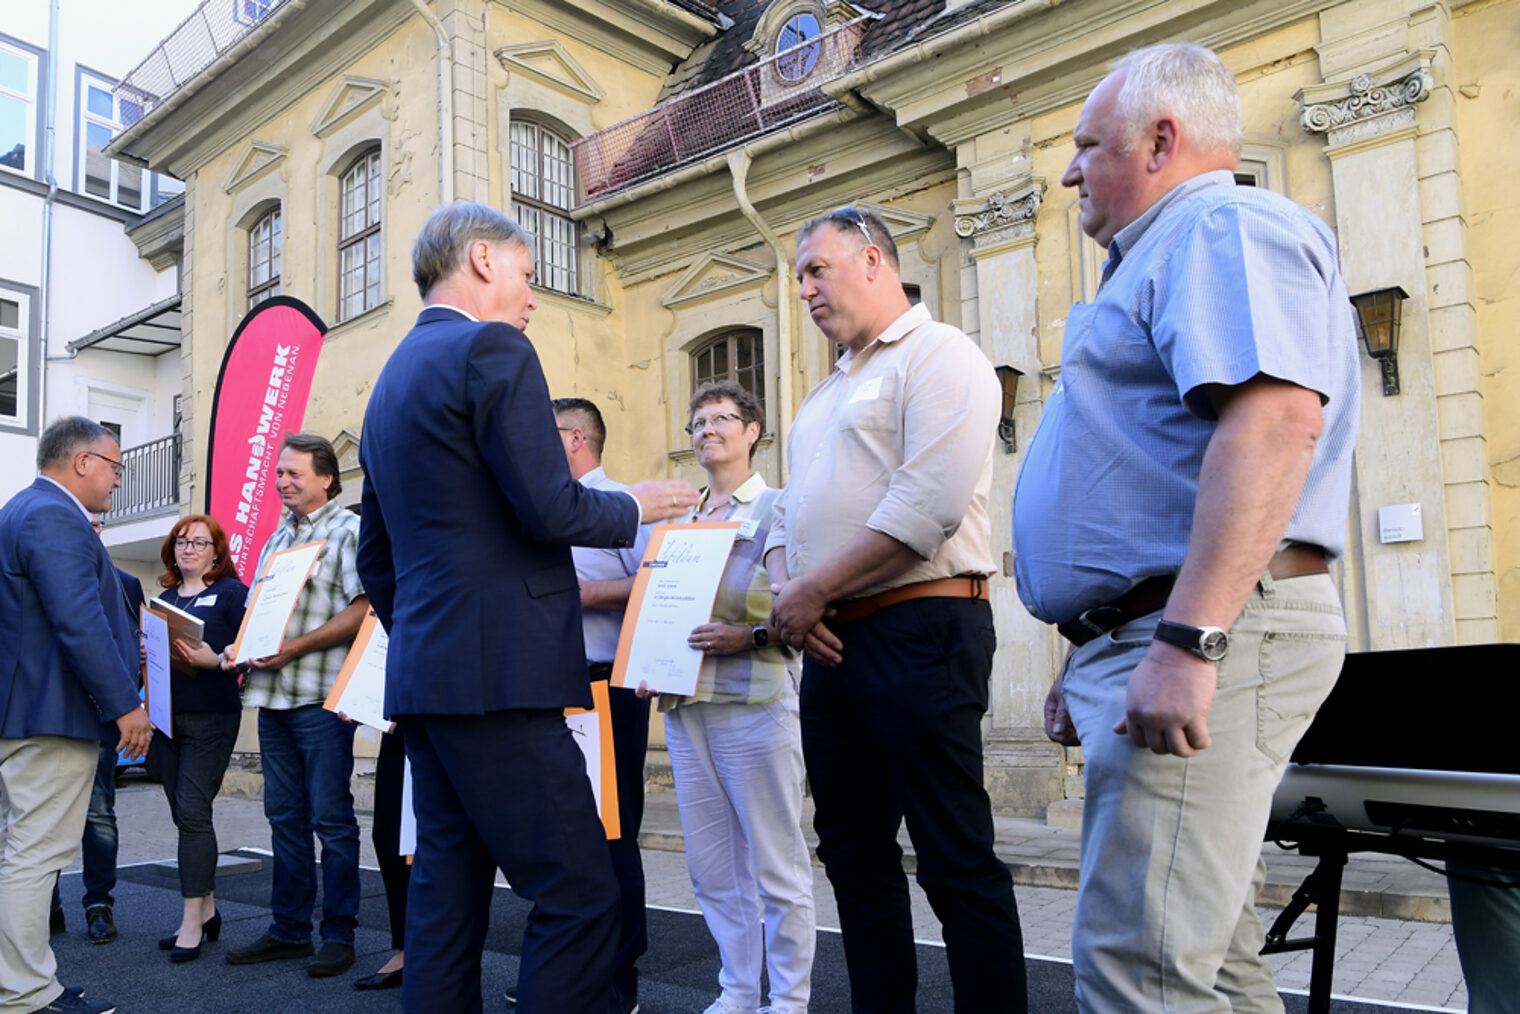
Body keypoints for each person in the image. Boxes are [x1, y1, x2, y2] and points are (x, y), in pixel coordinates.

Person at [1013, 42, 1360, 1013]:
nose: (1070, 169)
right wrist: (1091, 644)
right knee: (1208, 968)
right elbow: (1151, 476)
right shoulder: (1173, 249)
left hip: (1204, 630)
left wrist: (1184, 637)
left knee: (1142, 974)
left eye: (1086, 145)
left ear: (1160, 138)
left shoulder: (1215, 224)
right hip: (1154, 633)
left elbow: (1272, 423)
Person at [355, 201, 698, 1014]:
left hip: (428, 679)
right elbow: (551, 508)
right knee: (580, 894)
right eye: (527, 274)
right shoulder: (493, 347)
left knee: (445, 900)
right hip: (501, 679)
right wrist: (637, 505)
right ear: (481, 259)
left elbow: (377, 556)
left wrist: (432, 641)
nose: (534, 297)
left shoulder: (389, 381)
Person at [766, 207, 1026, 1013]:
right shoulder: (822, 397)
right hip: (833, 645)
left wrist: (811, 594)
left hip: (921, 629)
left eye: (818, 268)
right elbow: (782, 518)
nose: (804, 288)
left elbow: (927, 509)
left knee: (953, 855)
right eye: (800, 275)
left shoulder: (941, 355)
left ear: (873, 259)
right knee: (851, 854)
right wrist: (790, 592)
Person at [654, 381, 814, 1014]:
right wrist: (649, 657)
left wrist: (742, 635)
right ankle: (738, 991)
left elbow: (795, 601)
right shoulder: (681, 519)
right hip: (686, 708)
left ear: (753, 432)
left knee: (776, 865)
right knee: (713, 870)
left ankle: (791, 1001)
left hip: (754, 702)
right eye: (697, 422)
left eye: (723, 418)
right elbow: (656, 606)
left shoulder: (778, 506)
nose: (708, 430)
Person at [0, 416, 154, 1014]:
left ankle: (21, 984)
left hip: (27, 712)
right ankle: (25, 994)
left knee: (18, 852)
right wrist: (126, 706)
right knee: (34, 857)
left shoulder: (21, 511)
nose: (118, 480)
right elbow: (79, 621)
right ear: (83, 462)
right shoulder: (54, 516)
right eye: (116, 467)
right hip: (50, 716)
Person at [223, 432, 368, 979]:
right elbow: (265, 612)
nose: (283, 482)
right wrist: (245, 647)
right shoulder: (276, 537)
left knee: (331, 820)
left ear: (327, 478)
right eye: (280, 474)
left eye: (294, 474)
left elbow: (365, 607)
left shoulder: (349, 529)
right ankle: (288, 930)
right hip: (271, 696)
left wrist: (294, 649)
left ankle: (340, 933)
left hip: (320, 696)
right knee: (283, 818)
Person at [553, 396, 654, 1014]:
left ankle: (620, 981)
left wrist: (591, 594)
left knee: (612, 838)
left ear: (573, 439)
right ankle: (567, 974)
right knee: (561, 838)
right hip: (549, 690)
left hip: (607, 687)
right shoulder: (543, 512)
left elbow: (659, 580)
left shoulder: (621, 505)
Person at [147, 514, 247, 963]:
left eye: (199, 543)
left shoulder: (231, 594)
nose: (189, 548)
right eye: (182, 542)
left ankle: (190, 922)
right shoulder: (164, 599)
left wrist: (217, 660)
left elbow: (249, 648)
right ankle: (206, 910)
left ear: (216, 552)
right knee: (181, 814)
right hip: (167, 719)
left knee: (191, 812)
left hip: (212, 718)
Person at [48, 514, 143, 948]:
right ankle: (44, 905)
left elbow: (134, 650)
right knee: (43, 816)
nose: (90, 528)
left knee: (99, 814)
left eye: (96, 523)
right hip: (49, 717)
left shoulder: (126, 583)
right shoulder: (45, 573)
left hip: (101, 719)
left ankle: (98, 905)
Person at [352, 723, 406, 991]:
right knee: (390, 835)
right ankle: (408, 950)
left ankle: (449, 956)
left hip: (456, 716)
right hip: (404, 719)